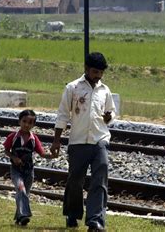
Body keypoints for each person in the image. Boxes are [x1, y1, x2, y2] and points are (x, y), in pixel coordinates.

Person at [51, 52, 116, 232]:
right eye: (95, 71)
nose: (98, 76)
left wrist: (109, 117)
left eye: (101, 72)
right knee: (75, 181)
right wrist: (57, 141)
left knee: (99, 181)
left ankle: (95, 220)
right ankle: (72, 214)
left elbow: (111, 112)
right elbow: (63, 114)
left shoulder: (105, 90)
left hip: (100, 140)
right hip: (78, 141)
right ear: (86, 69)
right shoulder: (73, 87)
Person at [3, 109, 57, 226]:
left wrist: (53, 156)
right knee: (21, 189)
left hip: (29, 171)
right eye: (24, 121)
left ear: (33, 125)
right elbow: (6, 151)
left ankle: (19, 218)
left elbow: (42, 154)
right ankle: (24, 215)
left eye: (30, 123)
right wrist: (14, 158)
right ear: (19, 122)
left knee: (24, 194)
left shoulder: (34, 139)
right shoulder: (13, 137)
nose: (27, 125)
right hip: (16, 170)